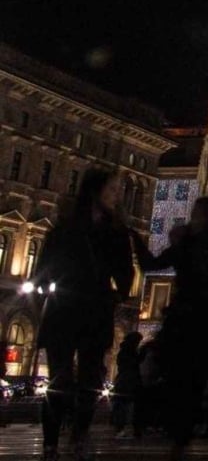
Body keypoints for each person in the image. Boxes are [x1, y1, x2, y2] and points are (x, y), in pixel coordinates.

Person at [133, 195, 208, 461]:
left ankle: (179, 439)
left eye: (196, 213)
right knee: (194, 385)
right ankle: (183, 438)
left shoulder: (189, 244)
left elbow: (151, 264)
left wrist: (136, 237)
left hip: (184, 325)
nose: (192, 217)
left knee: (180, 383)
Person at [33, 166, 136, 461]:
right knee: (59, 379)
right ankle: (51, 442)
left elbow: (126, 274)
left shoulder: (115, 232)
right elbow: (45, 265)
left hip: (93, 310)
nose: (117, 196)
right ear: (96, 191)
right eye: (113, 190)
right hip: (66, 309)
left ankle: (79, 436)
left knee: (90, 379)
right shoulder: (67, 227)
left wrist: (120, 292)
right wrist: (42, 289)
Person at [111, 331, 144, 439]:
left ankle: (122, 427)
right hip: (128, 381)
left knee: (123, 405)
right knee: (126, 405)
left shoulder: (125, 351)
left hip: (125, 380)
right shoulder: (130, 352)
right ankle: (125, 428)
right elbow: (132, 365)